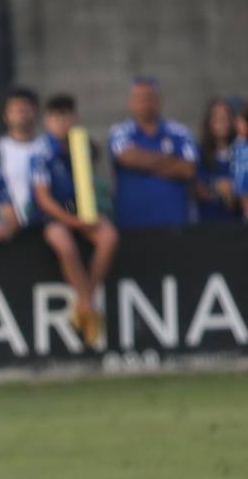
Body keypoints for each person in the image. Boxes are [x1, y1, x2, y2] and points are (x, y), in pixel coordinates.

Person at [30, 94, 119, 348]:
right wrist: (73, 221)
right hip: (53, 214)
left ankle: (84, 301)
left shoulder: (81, 145)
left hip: (82, 210)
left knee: (109, 237)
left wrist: (85, 216)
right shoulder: (41, 151)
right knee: (64, 244)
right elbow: (43, 198)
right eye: (56, 118)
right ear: (47, 121)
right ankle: (89, 306)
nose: (62, 123)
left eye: (66, 117)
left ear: (75, 118)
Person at [109, 77, 197, 229]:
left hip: (175, 223)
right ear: (130, 102)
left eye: (150, 97)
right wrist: (172, 163)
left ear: (159, 101)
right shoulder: (120, 132)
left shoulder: (180, 132)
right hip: (132, 225)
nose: (145, 103)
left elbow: (188, 169)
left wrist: (143, 161)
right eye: (140, 98)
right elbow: (127, 157)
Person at [0, 87, 43, 225]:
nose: (21, 113)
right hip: (8, 227)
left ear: (35, 112)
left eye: (25, 108)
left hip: (43, 225)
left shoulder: (45, 148)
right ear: (5, 115)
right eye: (15, 109)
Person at [192, 99, 242, 223]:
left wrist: (234, 191)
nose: (222, 121)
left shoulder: (242, 152)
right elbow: (196, 186)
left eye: (226, 116)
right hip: (208, 225)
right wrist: (217, 187)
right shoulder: (198, 153)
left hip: (238, 226)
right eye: (217, 117)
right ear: (209, 122)